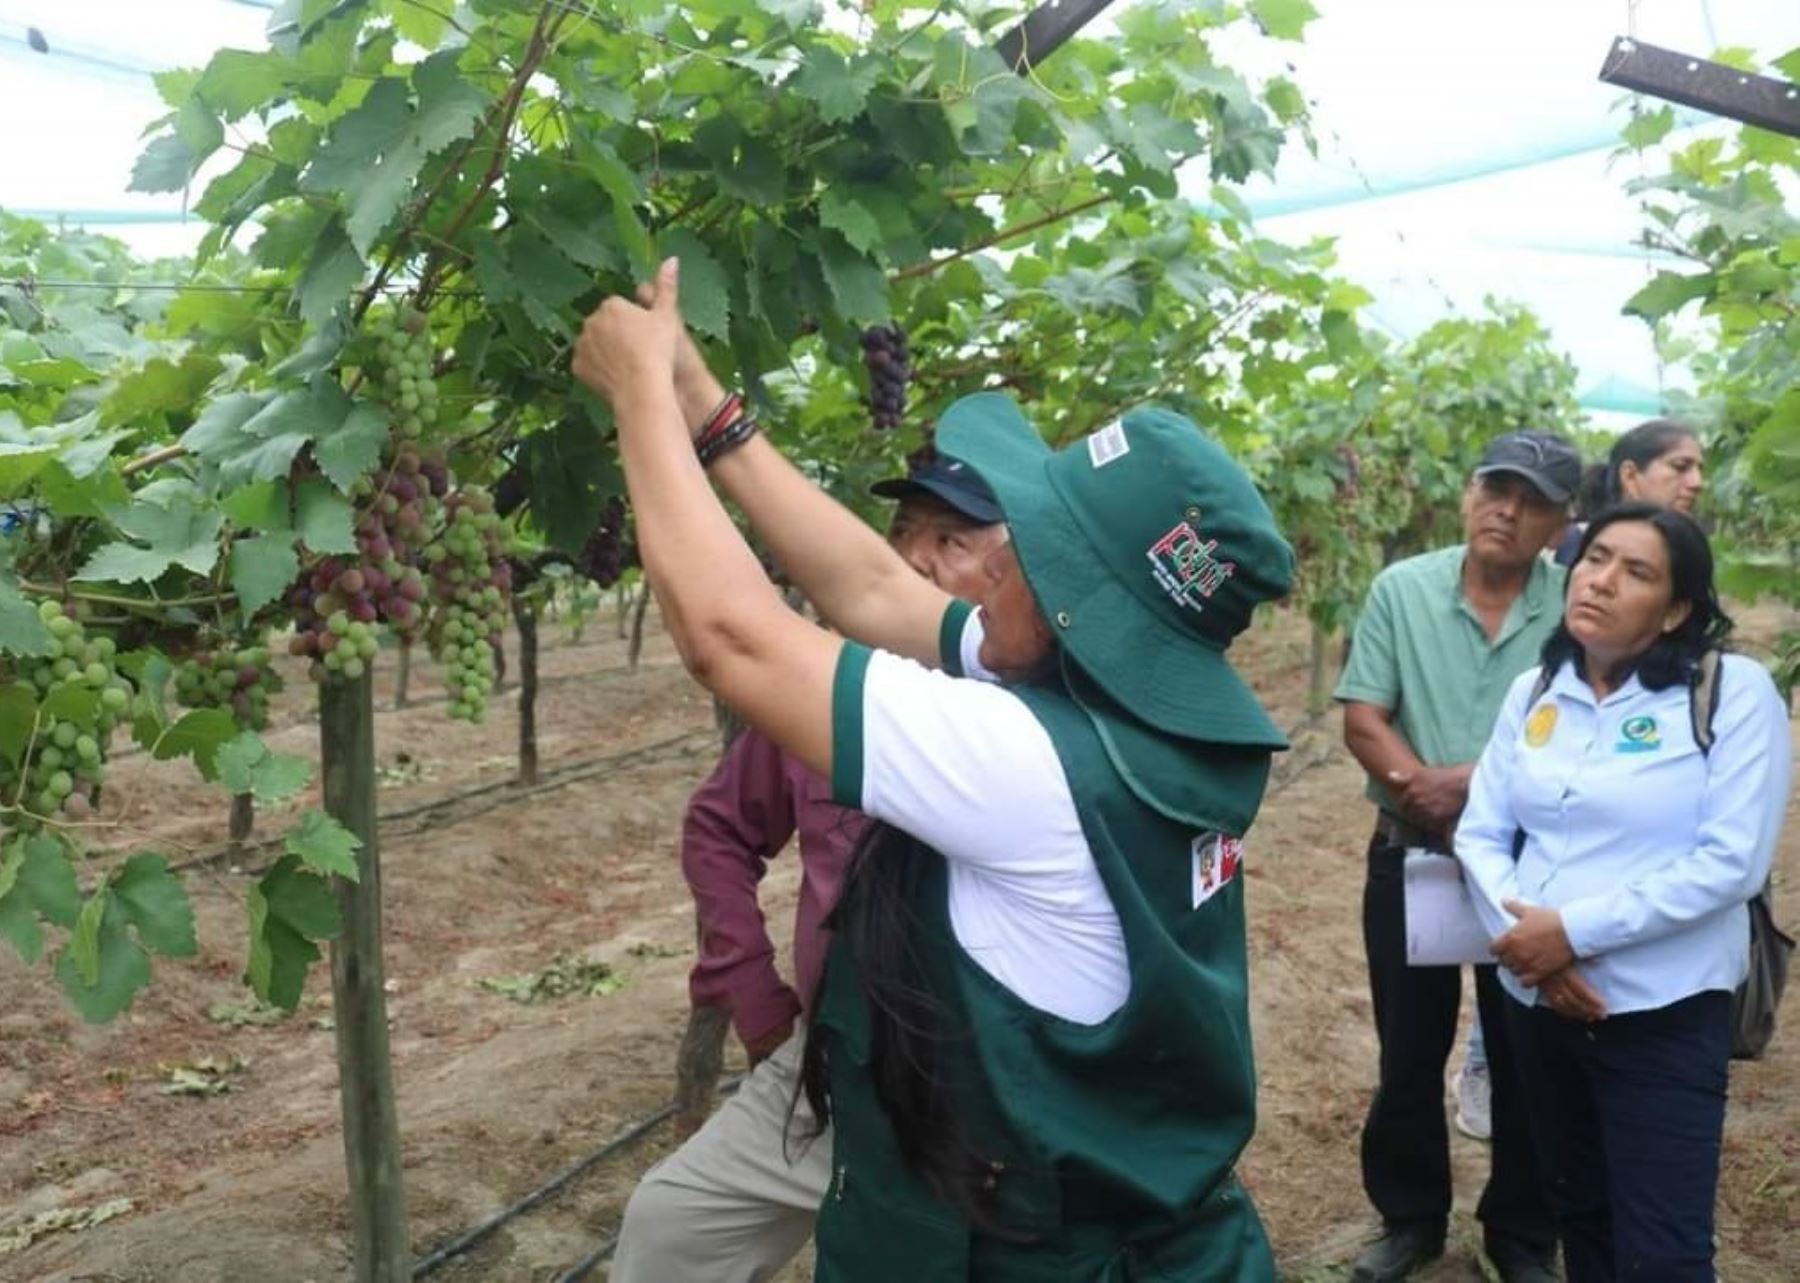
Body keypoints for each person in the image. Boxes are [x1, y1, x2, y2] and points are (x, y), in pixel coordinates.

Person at [575, 257, 1295, 1280]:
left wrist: (638, 396)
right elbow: (871, 585)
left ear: (1085, 607)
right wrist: (707, 405)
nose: (996, 563)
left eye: (1029, 548)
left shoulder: (1028, 767)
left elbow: (733, 640)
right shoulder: (1123, 712)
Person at [610, 456, 1007, 1283]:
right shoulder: (832, 690)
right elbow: (719, 825)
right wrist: (752, 995)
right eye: (902, 533)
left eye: (952, 540)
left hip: (987, 1088)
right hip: (836, 1060)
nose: (916, 557)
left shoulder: (1024, 710)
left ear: (1014, 566)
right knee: (671, 1226)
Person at [1456, 503, 1791, 1283]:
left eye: (1636, 571)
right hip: (1538, 1003)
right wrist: (1533, 951)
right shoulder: (1535, 689)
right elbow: (1482, 833)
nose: (1600, 579)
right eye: (1596, 556)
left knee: (1664, 1246)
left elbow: (1731, 861)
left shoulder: (1730, 693)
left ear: (1676, 609)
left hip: (1660, 1015)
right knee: (1584, 1218)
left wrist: (1570, 931)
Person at [1334, 429, 1583, 1283]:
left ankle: (1520, 1234)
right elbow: (1363, 714)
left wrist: (1469, 788)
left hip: (1530, 872)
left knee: (1527, 1052)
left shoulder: (1575, 604)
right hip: (1413, 854)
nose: (1506, 511)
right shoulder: (1402, 589)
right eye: (1495, 488)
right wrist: (1416, 787)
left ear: (1561, 521)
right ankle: (1410, 1220)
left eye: (1534, 500)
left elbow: (1582, 730)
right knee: (1408, 1047)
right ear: (1469, 491)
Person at [1554, 420, 1704, 565]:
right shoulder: (1576, 543)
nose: (1697, 483)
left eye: (1700, 470)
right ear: (1630, 476)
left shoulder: (1685, 555)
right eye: (1680, 467)